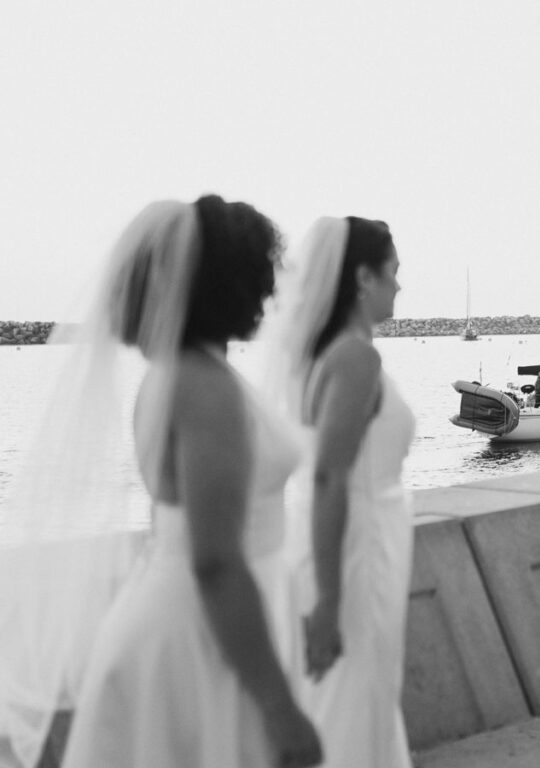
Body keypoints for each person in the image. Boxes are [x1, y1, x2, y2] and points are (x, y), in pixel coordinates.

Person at [2, 196, 322, 768]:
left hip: (196, 617)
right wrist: (280, 707)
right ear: (225, 283)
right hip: (199, 636)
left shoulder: (178, 374)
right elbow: (216, 560)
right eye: (257, 274)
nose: (268, 289)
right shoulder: (204, 385)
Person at [277, 215, 416, 768]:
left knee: (350, 701)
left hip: (350, 544)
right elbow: (329, 475)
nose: (400, 285)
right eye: (393, 272)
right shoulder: (357, 358)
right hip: (358, 554)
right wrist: (330, 604)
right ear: (363, 277)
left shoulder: (321, 355)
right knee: (355, 704)